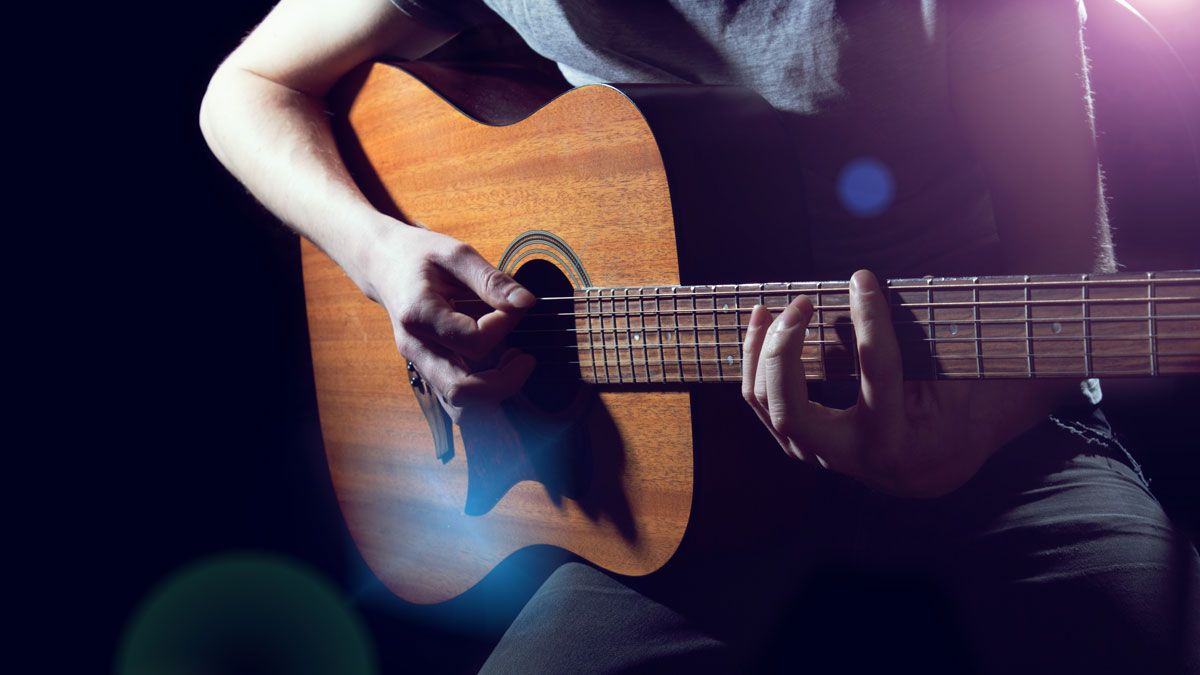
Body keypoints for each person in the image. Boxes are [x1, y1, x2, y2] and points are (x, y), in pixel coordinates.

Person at [200, 0, 1199, 671]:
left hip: (991, 424)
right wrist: (381, 257)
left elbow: (1070, 286)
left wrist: (967, 436)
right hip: (674, 482)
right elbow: (246, 90)